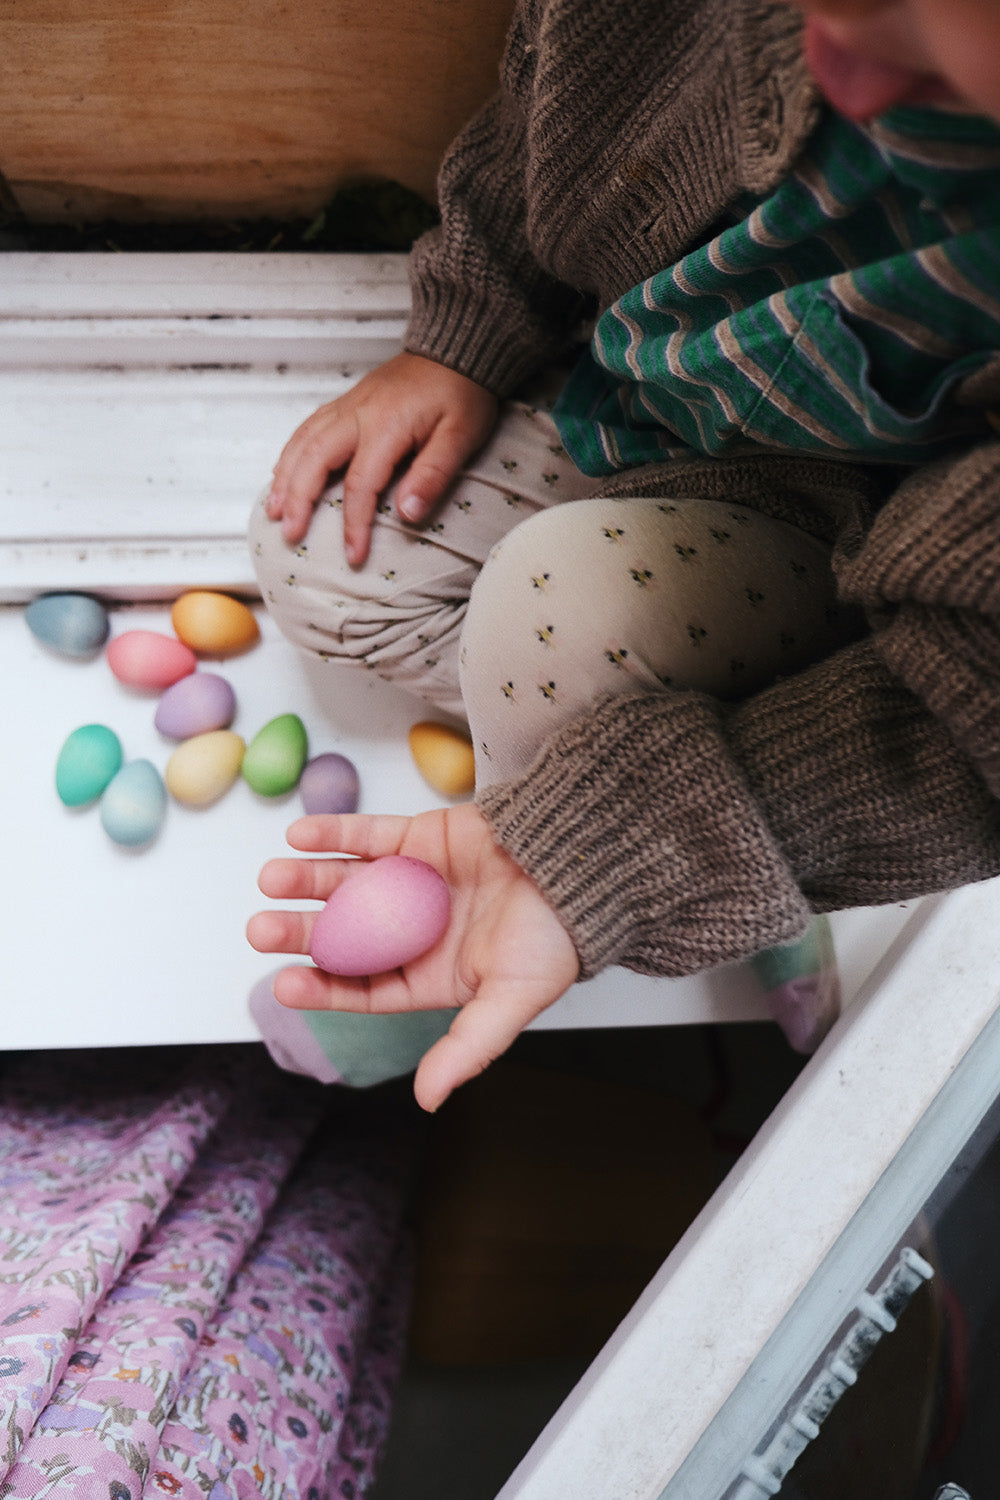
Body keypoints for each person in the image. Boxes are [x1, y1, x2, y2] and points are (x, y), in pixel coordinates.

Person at [247, 0, 1000, 1113]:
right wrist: (465, 331)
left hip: (857, 563)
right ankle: (701, 795)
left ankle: (741, 845)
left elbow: (966, 719)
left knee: (561, 616)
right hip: (634, 426)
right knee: (319, 546)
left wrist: (601, 860)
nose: (831, 61)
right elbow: (547, 114)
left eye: (941, 81)